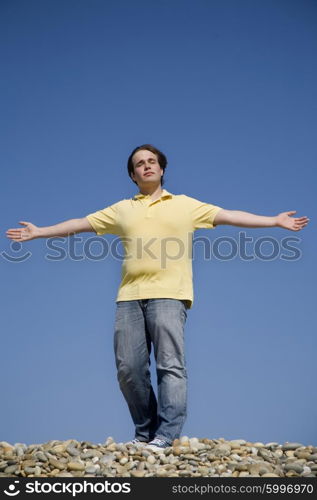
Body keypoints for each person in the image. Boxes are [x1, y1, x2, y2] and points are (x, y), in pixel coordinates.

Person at [6, 144, 309, 452]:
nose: (147, 166)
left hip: (170, 295)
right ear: (133, 175)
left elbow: (230, 216)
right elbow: (79, 224)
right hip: (129, 297)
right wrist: (40, 232)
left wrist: (274, 221)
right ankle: (146, 432)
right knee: (128, 368)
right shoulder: (122, 210)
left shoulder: (185, 205)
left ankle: (166, 435)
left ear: (162, 169)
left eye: (152, 161)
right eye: (140, 163)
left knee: (169, 365)